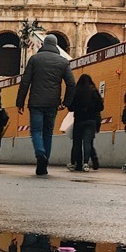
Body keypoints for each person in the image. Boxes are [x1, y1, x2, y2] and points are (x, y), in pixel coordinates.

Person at [15, 33, 75, 175]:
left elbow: (25, 82)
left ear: (43, 44)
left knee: (36, 131)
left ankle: (40, 154)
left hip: (36, 102)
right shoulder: (63, 62)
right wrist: (65, 103)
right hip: (53, 103)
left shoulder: (34, 59)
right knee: (47, 133)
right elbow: (71, 84)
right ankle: (44, 162)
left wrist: (20, 102)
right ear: (55, 46)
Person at [67, 73, 104, 172]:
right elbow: (101, 106)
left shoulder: (77, 91)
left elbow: (70, 107)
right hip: (91, 120)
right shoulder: (93, 91)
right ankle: (86, 163)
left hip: (79, 120)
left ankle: (76, 163)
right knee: (88, 142)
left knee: (77, 143)